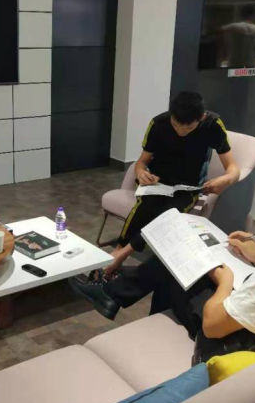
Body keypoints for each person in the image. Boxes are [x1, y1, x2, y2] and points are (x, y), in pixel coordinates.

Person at [70, 148, 255, 349]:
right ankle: (117, 295)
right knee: (180, 261)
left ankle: (116, 296)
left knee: (177, 264)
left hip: (244, 339)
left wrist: (224, 282)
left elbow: (214, 326)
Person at [86, 92, 240, 281]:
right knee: (145, 207)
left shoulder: (213, 125)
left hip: (188, 188)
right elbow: (142, 162)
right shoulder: (158, 123)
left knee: (167, 215)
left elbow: (233, 169)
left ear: (201, 118)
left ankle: (120, 255)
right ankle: (118, 251)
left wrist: (226, 180)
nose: (180, 132)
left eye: (188, 128)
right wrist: (140, 172)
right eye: (175, 125)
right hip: (156, 182)